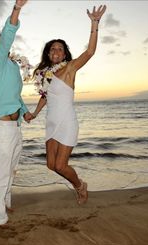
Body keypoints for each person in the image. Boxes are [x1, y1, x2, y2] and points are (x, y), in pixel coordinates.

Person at [30, 5, 107, 204]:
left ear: (64, 55)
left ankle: (80, 186)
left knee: (62, 166)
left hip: (67, 122)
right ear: (48, 54)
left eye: (60, 48)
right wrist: (35, 113)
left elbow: (89, 52)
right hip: (51, 123)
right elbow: (45, 96)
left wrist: (94, 23)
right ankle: (78, 184)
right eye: (52, 48)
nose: (56, 51)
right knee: (50, 165)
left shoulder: (69, 69)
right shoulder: (45, 75)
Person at [0, 0, 33, 227]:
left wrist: (25, 112)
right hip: (2, 127)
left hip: (15, 127)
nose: (5, 46)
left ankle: (6, 200)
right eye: (0, 43)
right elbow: (9, 33)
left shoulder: (11, 67)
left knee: (12, 167)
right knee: (2, 171)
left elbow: (15, 95)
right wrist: (17, 9)